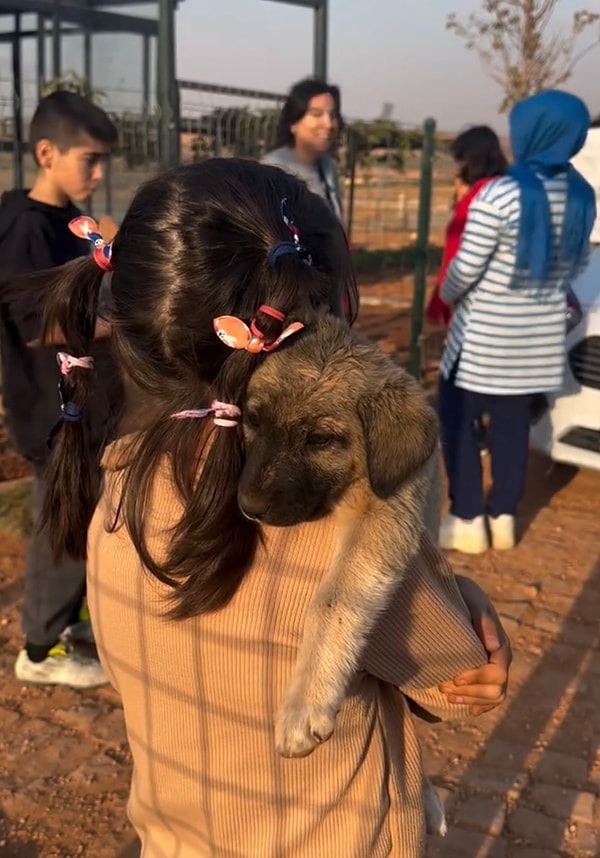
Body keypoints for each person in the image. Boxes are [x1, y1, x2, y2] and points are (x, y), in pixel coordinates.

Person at [11, 159, 510, 857]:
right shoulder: (339, 541)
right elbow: (460, 673)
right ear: (307, 313)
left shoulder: (115, 492)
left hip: (175, 834)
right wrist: (465, 598)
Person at [437, 90, 595, 555]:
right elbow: (577, 264)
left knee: (458, 423)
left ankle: (466, 518)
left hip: (483, 341)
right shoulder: (584, 196)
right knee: (511, 430)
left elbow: (465, 269)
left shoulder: (500, 193)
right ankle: (503, 516)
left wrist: (446, 296)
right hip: (537, 343)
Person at [0, 89, 121, 687]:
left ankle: (70, 626)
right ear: (46, 153)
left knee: (80, 517)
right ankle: (40, 650)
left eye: (104, 161)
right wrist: (123, 324)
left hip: (78, 403)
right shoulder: (26, 228)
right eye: (88, 159)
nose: (98, 173)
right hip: (50, 409)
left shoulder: (67, 222)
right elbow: (38, 325)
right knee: (63, 525)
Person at [426, 125, 508, 327]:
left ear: (471, 161)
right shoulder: (512, 191)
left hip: (473, 314)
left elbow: (458, 263)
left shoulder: (477, 200)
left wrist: (437, 307)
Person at [263, 77, 343, 219]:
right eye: (317, 114)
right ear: (293, 123)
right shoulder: (274, 168)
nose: (329, 124)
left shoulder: (327, 166)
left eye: (333, 115)